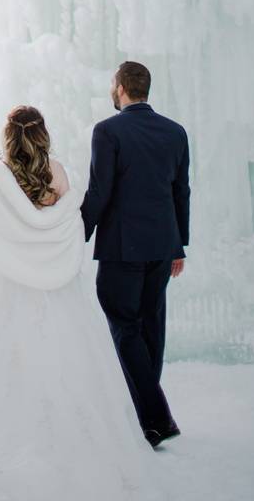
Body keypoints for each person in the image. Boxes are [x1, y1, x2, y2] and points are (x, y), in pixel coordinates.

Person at [0, 105, 158, 500]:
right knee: (66, 355)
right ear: (42, 133)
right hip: (56, 286)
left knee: (3, 352)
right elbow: (70, 224)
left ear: (8, 135)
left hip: (6, 281)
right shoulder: (57, 172)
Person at [80, 61, 191, 447]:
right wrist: (180, 245)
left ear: (122, 88)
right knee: (149, 327)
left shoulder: (108, 131)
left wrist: (77, 230)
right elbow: (181, 191)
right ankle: (146, 416)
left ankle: (156, 417)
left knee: (125, 325)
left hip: (122, 249)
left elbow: (100, 191)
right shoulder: (175, 133)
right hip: (163, 247)